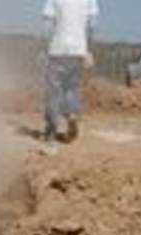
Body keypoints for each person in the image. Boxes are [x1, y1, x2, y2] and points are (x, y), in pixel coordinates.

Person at [42, 0, 99, 153]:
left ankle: (51, 133)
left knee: (53, 91)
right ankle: (72, 114)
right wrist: (89, 50)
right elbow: (92, 25)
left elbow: (48, 25)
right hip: (78, 50)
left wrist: (44, 48)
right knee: (72, 88)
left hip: (57, 49)